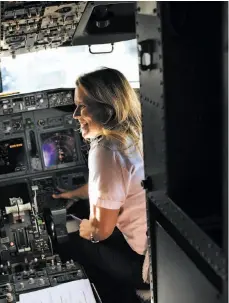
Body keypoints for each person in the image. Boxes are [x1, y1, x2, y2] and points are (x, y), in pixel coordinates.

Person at [53, 68, 149, 293]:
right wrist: (74, 193)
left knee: (73, 242)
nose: (75, 114)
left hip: (144, 265)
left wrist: (86, 228)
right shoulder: (136, 132)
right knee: (81, 208)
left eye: (82, 106)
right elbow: (117, 185)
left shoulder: (106, 149)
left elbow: (101, 231)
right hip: (159, 242)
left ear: (107, 108)